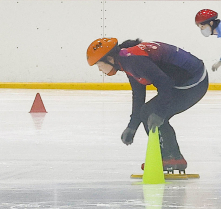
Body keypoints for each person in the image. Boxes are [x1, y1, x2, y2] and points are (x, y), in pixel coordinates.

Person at [86, 36, 208, 173]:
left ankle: (169, 157)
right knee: (149, 111)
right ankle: (173, 157)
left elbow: (165, 84)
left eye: (99, 65)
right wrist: (132, 126)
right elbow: (139, 95)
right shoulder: (127, 59)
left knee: (150, 112)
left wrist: (160, 113)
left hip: (194, 83)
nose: (100, 70)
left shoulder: (132, 60)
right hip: (191, 79)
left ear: (109, 59)